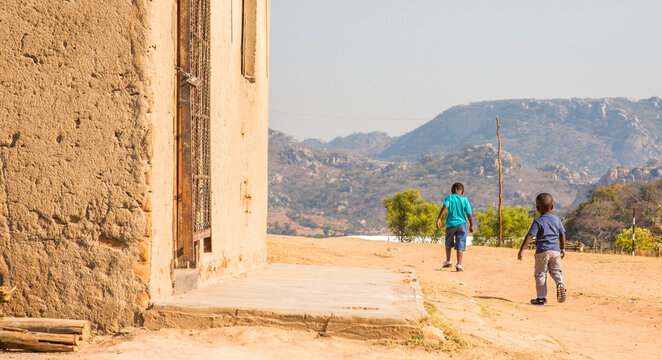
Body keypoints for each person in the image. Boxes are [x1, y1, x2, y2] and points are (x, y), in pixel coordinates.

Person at [518, 193, 567, 305]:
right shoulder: (556, 220)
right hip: (555, 251)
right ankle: (560, 284)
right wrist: (563, 248)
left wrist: (522, 249)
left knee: (540, 273)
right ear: (552, 207)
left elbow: (530, 235)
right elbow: (562, 234)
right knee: (556, 271)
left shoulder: (538, 221)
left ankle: (541, 299)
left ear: (537, 208)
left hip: (542, 252)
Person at [436, 182, 474, 272]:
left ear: (452, 191)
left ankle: (448, 261)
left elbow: (445, 207)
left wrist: (439, 218)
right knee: (460, 244)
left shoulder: (449, 198)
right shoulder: (465, 200)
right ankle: (459, 265)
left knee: (448, 242)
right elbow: (469, 213)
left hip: (451, 224)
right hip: (462, 225)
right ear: (462, 192)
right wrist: (471, 224)